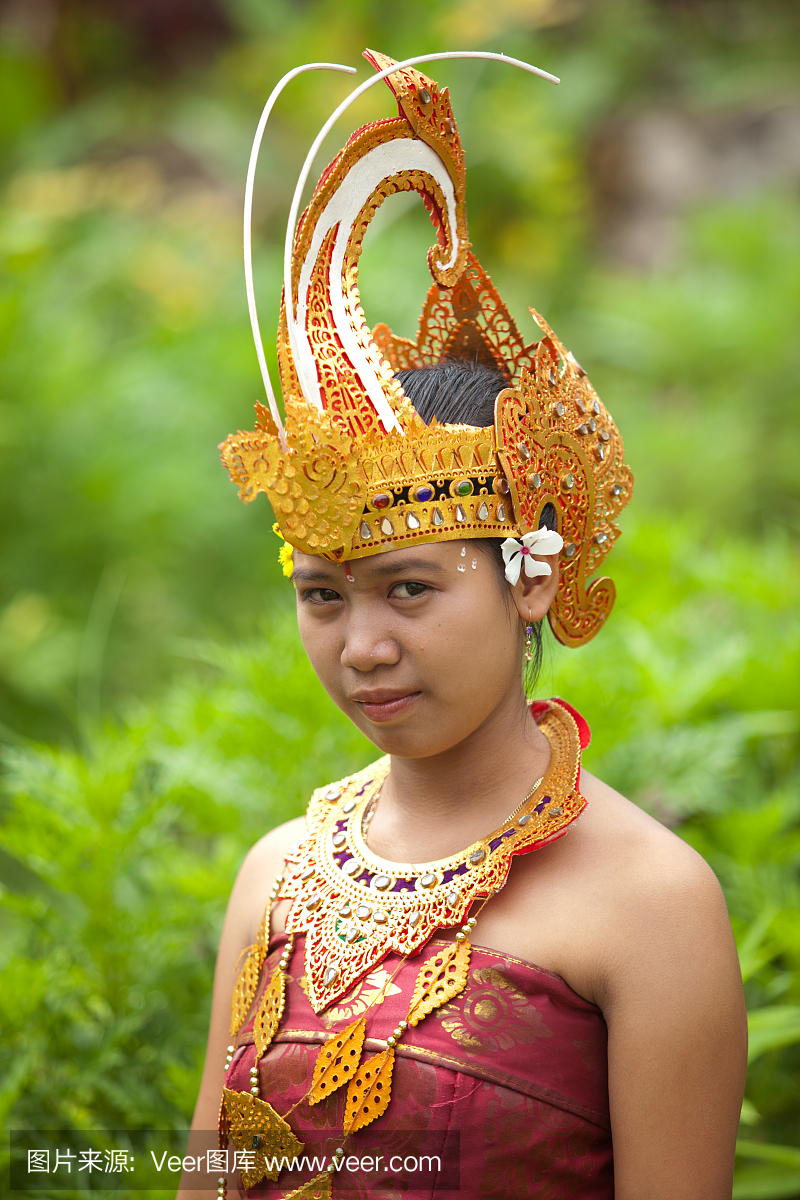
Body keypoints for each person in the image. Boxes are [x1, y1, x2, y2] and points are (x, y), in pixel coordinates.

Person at [180, 51, 747, 1200]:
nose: (361, 648)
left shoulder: (650, 904)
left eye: (409, 590)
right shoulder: (274, 876)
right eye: (322, 595)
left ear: (529, 576)